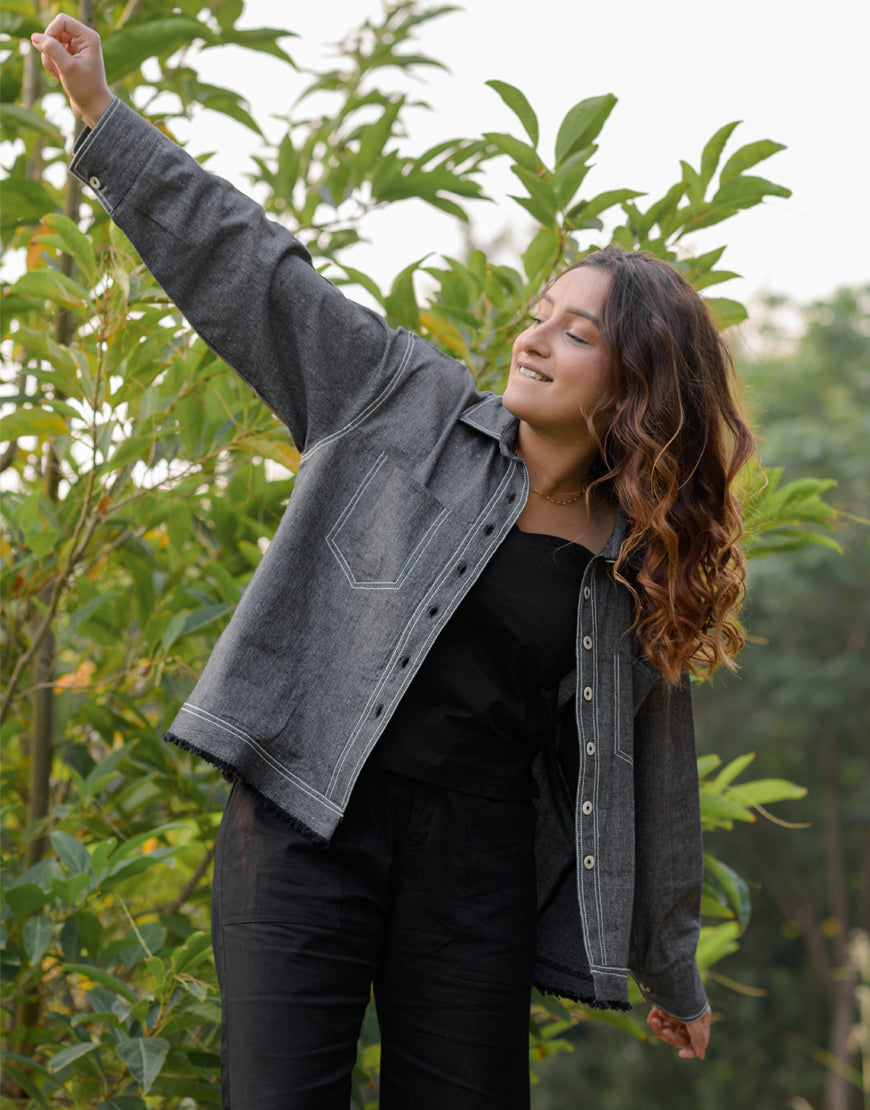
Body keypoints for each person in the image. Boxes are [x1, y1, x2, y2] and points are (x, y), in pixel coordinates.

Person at [33, 15, 754, 1109]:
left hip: (475, 866)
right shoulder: (397, 401)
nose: (534, 337)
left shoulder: (629, 560)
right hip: (302, 822)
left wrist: (673, 965)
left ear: (635, 385)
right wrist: (103, 117)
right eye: (539, 314)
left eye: (576, 334)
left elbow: (654, 773)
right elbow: (259, 271)